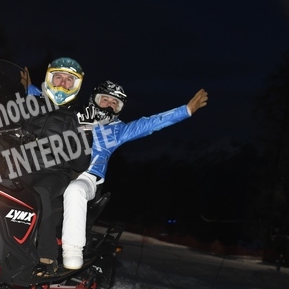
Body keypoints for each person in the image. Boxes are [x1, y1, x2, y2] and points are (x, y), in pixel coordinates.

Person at [60, 81, 209, 269]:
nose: (109, 105)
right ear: (94, 99)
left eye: (115, 103)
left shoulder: (117, 130)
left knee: (75, 190)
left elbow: (150, 123)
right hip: (58, 171)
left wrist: (185, 110)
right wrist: (28, 90)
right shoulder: (75, 115)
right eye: (105, 99)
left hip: (86, 178)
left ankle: (72, 251)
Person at [17, 57, 91, 276]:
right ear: (49, 78)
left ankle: (47, 257)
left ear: (76, 85)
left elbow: (81, 163)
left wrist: (83, 136)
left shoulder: (78, 117)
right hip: (22, 165)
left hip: (54, 172)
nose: (62, 83)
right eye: (58, 77)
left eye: (69, 80)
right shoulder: (32, 105)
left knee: (39, 193)